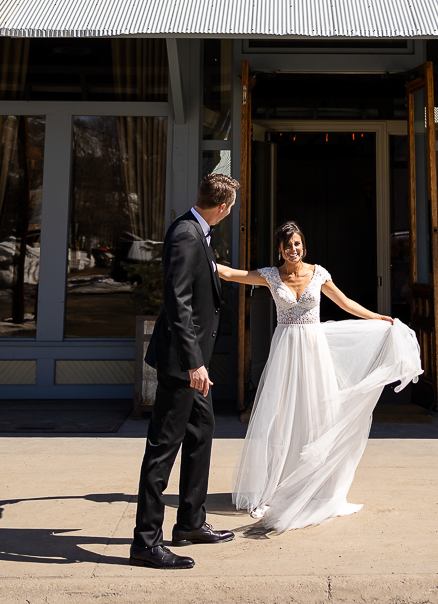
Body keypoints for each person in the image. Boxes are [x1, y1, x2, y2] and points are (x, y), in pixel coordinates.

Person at [220, 219, 422, 534]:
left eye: (297, 244)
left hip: (314, 350)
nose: (293, 250)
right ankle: (280, 480)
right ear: (280, 249)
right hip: (286, 351)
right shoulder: (270, 276)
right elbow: (233, 274)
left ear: (303, 245)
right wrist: (199, 254)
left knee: (317, 413)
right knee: (284, 414)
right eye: (288, 246)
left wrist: (377, 316)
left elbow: (345, 303)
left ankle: (318, 483)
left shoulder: (318, 273)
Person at [130, 173, 240, 570]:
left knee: (201, 434)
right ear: (224, 207)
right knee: (162, 449)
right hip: (183, 364)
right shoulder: (186, 234)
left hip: (197, 366)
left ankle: (191, 522)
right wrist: (194, 361)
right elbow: (176, 301)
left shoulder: (198, 230)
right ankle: (145, 542)